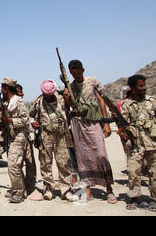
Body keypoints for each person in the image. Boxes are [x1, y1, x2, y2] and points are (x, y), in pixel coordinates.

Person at [67, 59, 116, 203]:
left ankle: (109, 189)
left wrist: (106, 124)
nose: (76, 76)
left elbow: (101, 101)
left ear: (83, 70)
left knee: (101, 154)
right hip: (78, 124)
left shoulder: (92, 81)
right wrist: (67, 97)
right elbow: (70, 106)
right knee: (83, 158)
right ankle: (87, 190)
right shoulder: (70, 87)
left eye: (78, 72)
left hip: (94, 122)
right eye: (72, 73)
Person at [29, 80, 74, 201]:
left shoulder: (62, 100)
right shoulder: (38, 102)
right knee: (45, 163)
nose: (48, 97)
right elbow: (30, 115)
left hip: (60, 136)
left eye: (50, 94)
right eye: (46, 95)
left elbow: (71, 108)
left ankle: (66, 189)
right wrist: (33, 123)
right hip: (45, 136)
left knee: (63, 163)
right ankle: (49, 188)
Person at [119, 75, 156, 211]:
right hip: (135, 145)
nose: (144, 88)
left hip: (153, 143)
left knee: (154, 172)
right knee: (133, 172)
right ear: (132, 88)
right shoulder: (126, 105)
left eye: (144, 85)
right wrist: (125, 135)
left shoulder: (152, 102)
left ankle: (154, 199)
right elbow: (122, 124)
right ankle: (134, 198)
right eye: (140, 86)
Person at [0, 77, 35, 203]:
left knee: (13, 164)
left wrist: (10, 120)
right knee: (15, 164)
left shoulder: (18, 102)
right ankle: (19, 189)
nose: (1, 90)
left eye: (2, 87)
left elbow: (25, 121)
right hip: (11, 136)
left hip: (19, 136)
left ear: (6, 88)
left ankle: (19, 192)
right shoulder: (7, 102)